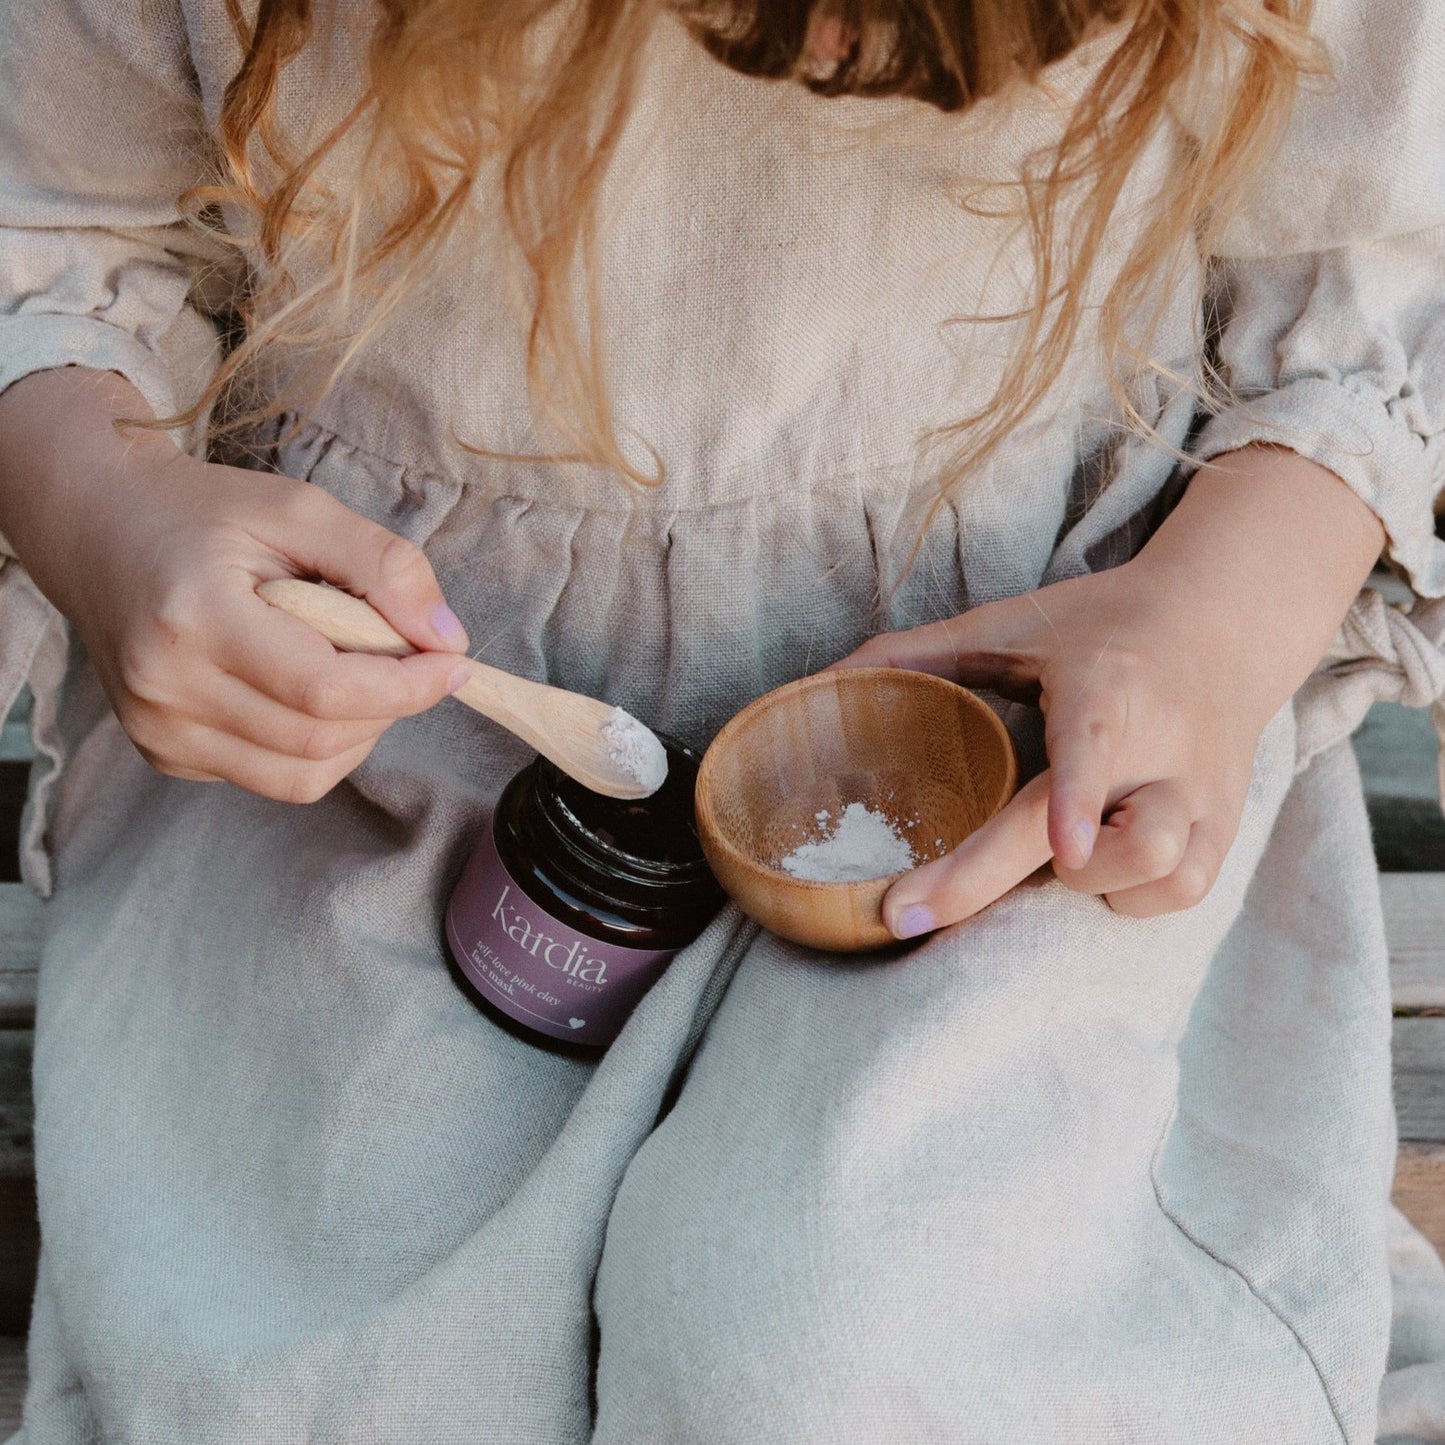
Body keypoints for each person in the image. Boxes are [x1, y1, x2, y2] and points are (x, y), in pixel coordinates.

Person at [0, 0, 1441, 1438]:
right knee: (349, 1388)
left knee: (848, 1359)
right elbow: (55, 227)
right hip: (355, 731)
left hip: (1032, 730)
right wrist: (103, 509)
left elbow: (1367, 262)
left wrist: (1212, 624)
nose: (826, 61)